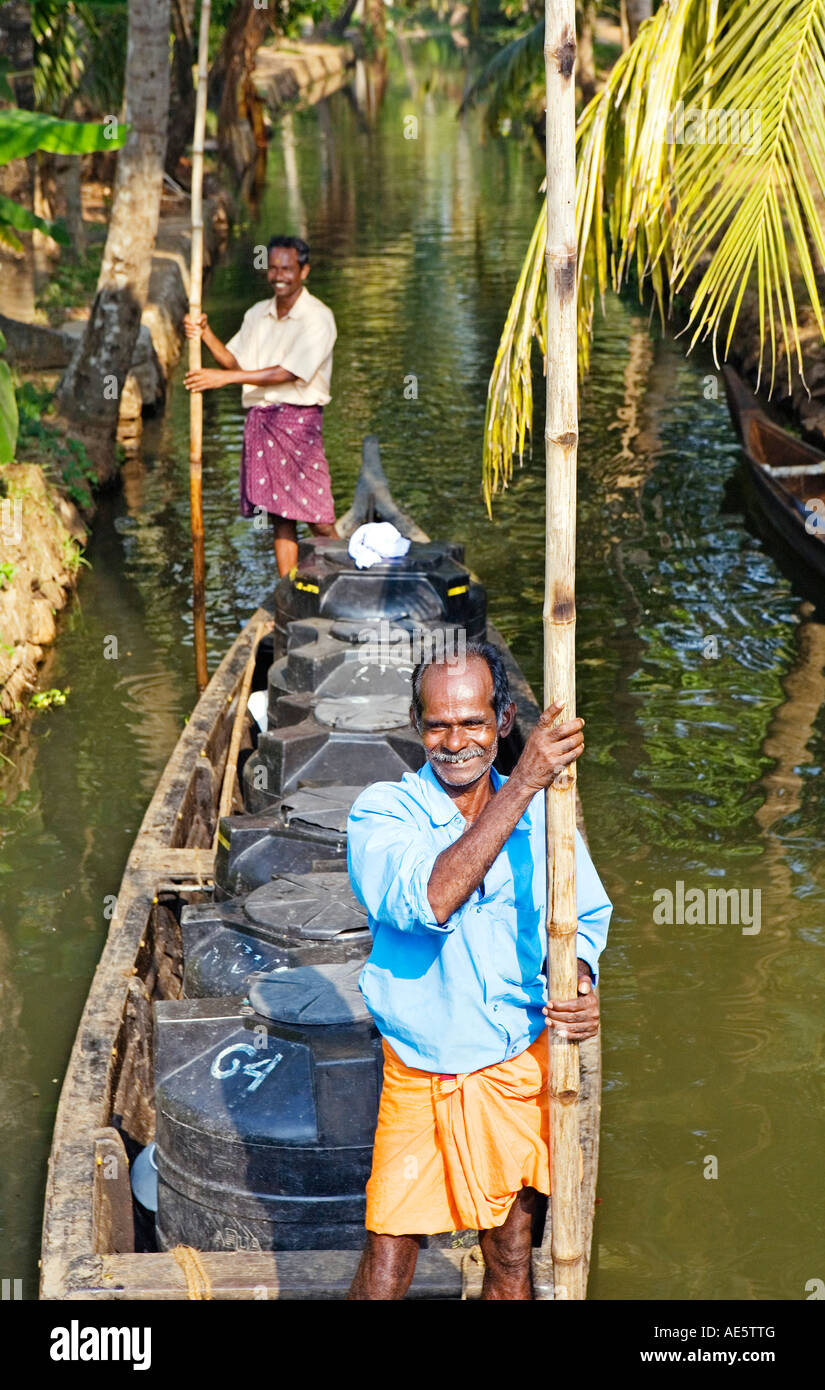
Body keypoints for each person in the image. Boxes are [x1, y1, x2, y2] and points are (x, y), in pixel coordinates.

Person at [345, 641, 612, 1300]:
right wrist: (524, 781)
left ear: (504, 718)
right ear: (417, 727)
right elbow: (431, 896)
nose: (455, 741)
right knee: (387, 1260)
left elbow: (585, 916)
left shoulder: (547, 817)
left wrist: (579, 978)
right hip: (422, 1062)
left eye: (472, 722)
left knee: (512, 1254)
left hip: (517, 1056)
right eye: (437, 724)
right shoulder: (383, 812)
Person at [183, 235, 338, 576]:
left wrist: (224, 381)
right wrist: (206, 334)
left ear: (304, 271)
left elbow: (289, 372)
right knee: (281, 514)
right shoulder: (257, 314)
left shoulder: (318, 318)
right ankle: (289, 589)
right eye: (272, 268)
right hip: (263, 421)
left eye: (287, 268)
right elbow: (236, 363)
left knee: (318, 516)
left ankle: (348, 578)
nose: (278, 275)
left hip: (299, 422)